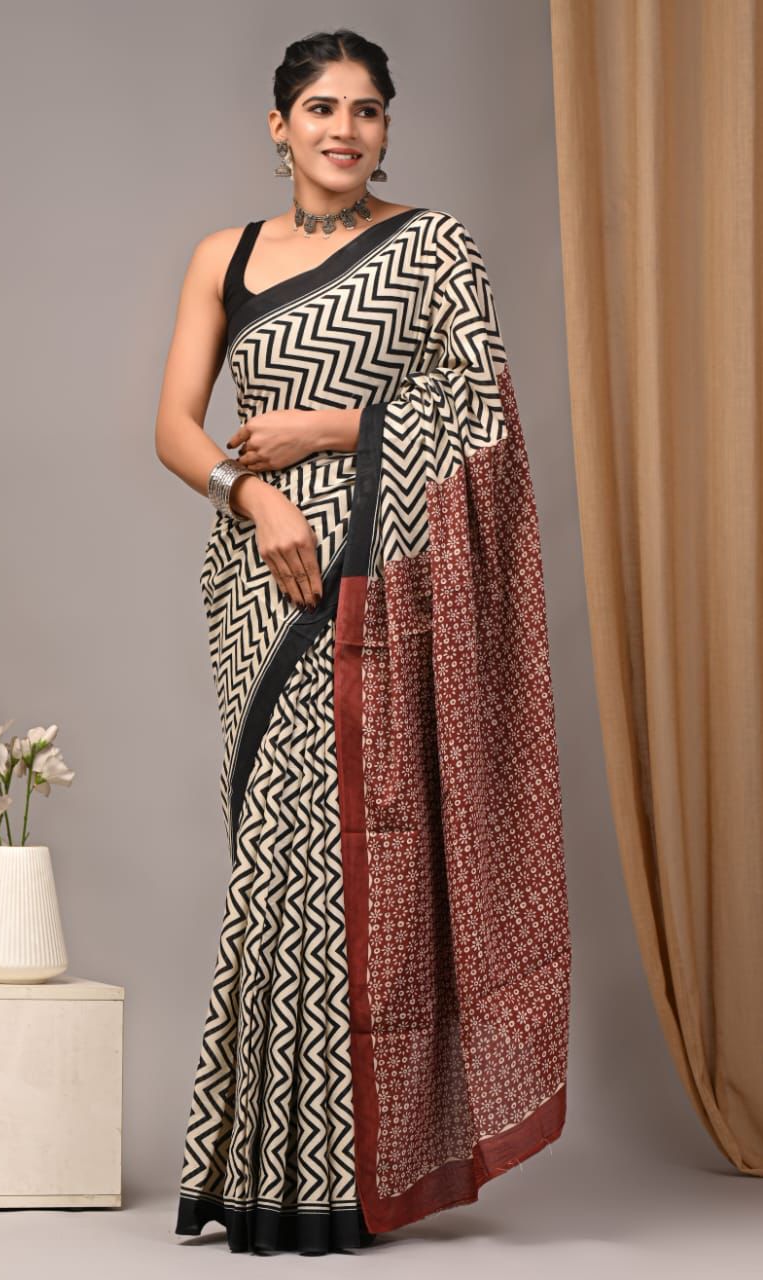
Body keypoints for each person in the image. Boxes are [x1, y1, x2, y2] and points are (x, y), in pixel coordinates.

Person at [155, 27, 572, 1258]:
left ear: (388, 128)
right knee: (273, 862)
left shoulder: (432, 245)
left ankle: (336, 1170)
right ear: (275, 127)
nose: (346, 129)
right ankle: (255, 1162)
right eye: (322, 108)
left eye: (369, 111)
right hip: (262, 579)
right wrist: (253, 494)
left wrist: (334, 427)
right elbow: (177, 426)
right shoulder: (222, 256)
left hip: (392, 580)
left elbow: (481, 408)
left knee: (349, 854)